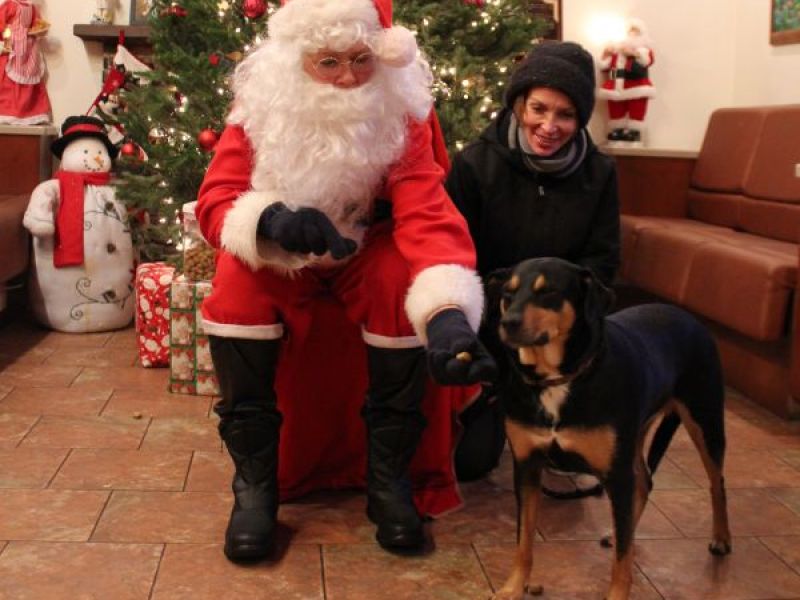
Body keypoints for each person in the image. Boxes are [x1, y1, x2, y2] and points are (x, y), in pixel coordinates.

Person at [196, 0, 496, 563]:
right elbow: (218, 200)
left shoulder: (397, 109)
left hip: (367, 240)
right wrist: (271, 221)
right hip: (283, 249)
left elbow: (426, 209)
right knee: (236, 291)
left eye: (361, 59)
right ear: (298, 59)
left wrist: (447, 311)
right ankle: (255, 488)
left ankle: (389, 482)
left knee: (396, 282)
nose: (349, 78)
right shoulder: (261, 107)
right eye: (328, 62)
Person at [445, 41, 621, 497]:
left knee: (569, 451)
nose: (549, 126)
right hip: (492, 330)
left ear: (580, 118)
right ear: (519, 104)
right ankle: (498, 410)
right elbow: (455, 259)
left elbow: (602, 260)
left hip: (561, 337)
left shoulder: (600, 173)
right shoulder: (473, 165)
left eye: (565, 114)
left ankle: (560, 429)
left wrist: (561, 324)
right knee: (470, 463)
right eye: (538, 108)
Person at [596, 18, 656, 144]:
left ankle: (634, 132)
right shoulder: (616, 50)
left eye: (635, 32)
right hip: (615, 84)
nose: (632, 34)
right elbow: (604, 66)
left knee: (637, 109)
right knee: (615, 108)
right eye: (630, 31)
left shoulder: (644, 50)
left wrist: (633, 53)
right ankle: (617, 130)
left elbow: (647, 61)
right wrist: (606, 53)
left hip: (636, 85)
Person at [0, 0, 51, 125]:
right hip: (13, 47)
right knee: (7, 82)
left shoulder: (31, 8)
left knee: (29, 77)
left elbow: (36, 24)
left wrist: (39, 29)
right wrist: (9, 34)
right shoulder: (9, 5)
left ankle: (29, 110)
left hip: (28, 50)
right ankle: (7, 111)